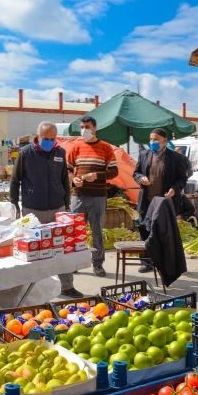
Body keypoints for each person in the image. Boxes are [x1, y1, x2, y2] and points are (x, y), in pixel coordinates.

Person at [10, 121, 82, 298]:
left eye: (52, 138)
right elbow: (15, 180)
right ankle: (31, 290)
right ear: (38, 137)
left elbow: (64, 179)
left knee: (63, 249)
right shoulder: (26, 153)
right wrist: (14, 205)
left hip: (57, 208)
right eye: (46, 138)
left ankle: (67, 286)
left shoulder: (60, 152)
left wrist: (66, 205)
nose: (49, 142)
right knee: (33, 252)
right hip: (32, 210)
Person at [67, 116, 118, 277]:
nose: (84, 130)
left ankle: (98, 264)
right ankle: (74, 263)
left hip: (98, 196)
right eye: (82, 127)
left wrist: (97, 175)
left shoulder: (106, 148)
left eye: (87, 126)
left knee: (96, 231)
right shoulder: (76, 146)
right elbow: (67, 170)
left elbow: (114, 171)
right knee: (75, 231)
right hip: (78, 195)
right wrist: (73, 179)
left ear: (95, 128)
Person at [133, 128, 190, 272]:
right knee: (145, 231)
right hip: (146, 201)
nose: (152, 142)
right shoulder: (144, 154)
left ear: (164, 140)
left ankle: (165, 263)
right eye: (151, 139)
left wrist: (175, 189)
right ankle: (147, 262)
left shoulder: (176, 158)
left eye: (156, 139)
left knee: (164, 233)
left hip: (164, 202)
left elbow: (182, 178)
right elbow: (136, 173)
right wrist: (141, 178)